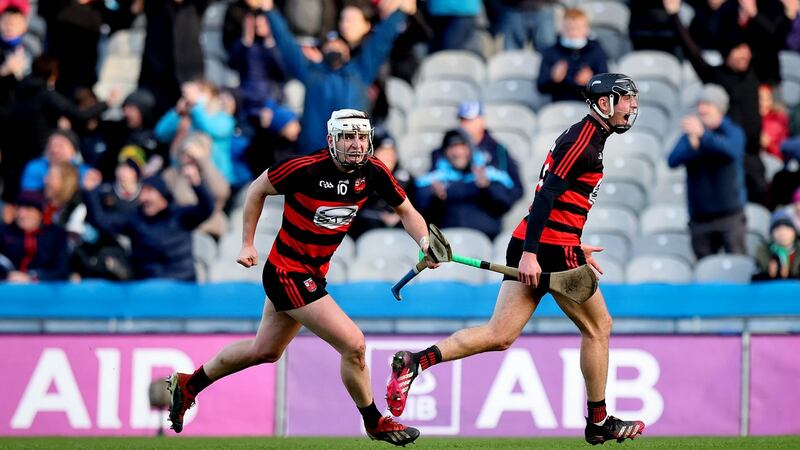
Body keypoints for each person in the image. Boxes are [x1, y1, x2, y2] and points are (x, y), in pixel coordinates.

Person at [385, 73, 645, 445]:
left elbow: (563, 203)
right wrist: (533, 254)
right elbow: (544, 199)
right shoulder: (583, 140)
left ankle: (416, 362)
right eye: (626, 99)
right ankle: (599, 421)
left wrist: (571, 242)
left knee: (499, 335)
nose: (632, 106)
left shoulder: (590, 139)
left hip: (546, 243)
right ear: (604, 103)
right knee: (598, 327)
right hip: (546, 249)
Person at [165, 109, 435, 446]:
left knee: (264, 351)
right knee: (354, 344)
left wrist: (424, 243)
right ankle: (374, 421)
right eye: (347, 137)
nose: (355, 144)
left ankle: (189, 384)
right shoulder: (303, 167)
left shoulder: (374, 170)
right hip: (286, 273)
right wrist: (247, 243)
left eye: (361, 136)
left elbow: (407, 211)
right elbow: (256, 190)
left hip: (310, 274)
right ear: (331, 140)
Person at [667, 84, 748, 259]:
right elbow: (672, 160)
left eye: (707, 104)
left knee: (737, 265)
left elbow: (731, 151)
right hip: (700, 219)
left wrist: (704, 137)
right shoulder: (690, 135)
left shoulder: (733, 131)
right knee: (705, 271)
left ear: (719, 108)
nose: (702, 109)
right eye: (700, 105)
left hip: (730, 216)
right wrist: (693, 146)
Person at [416, 129, 517, 240]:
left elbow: (505, 203)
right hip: (447, 245)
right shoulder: (434, 179)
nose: (457, 153)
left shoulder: (490, 174)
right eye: (451, 148)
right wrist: (435, 198)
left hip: (486, 242)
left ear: (471, 149)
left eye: (462, 146)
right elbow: (419, 211)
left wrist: (487, 187)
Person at [537, 7, 609, 102]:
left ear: (587, 29)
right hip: (559, 105)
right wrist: (553, 79)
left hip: (589, 106)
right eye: (568, 28)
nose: (573, 33)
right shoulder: (551, 52)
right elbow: (541, 87)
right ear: (560, 29)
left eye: (578, 28)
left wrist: (591, 82)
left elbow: (607, 87)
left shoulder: (596, 51)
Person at [0, 190, 70, 282]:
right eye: (19, 208)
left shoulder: (55, 235)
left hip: (42, 291)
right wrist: (8, 275)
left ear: (40, 214)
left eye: (28, 209)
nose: (21, 214)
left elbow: (62, 270)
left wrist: (33, 277)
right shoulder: (5, 232)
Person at [753, 215, 800, 280]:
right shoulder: (764, 251)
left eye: (787, 229)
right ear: (771, 234)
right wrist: (768, 271)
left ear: (794, 232)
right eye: (777, 229)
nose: (782, 233)